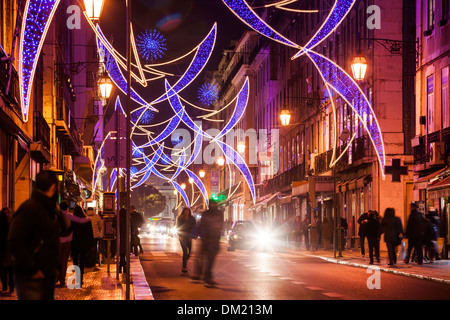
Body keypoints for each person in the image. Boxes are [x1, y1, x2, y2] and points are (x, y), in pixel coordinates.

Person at [7, 170, 61, 300]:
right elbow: (14, 241)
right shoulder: (30, 208)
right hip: (31, 278)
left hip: (44, 275)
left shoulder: (47, 209)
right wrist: (32, 270)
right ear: (53, 187)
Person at [57, 202, 91, 287]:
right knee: (65, 261)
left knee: (58, 260)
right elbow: (80, 221)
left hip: (61, 241)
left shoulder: (56, 216)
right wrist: (89, 219)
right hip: (70, 241)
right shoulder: (70, 216)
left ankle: (56, 277)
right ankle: (64, 279)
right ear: (67, 208)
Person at [192, 199, 224, 286]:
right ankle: (203, 275)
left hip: (210, 239)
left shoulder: (209, 214)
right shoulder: (216, 214)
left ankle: (204, 275)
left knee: (207, 259)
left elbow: (203, 225)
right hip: (208, 239)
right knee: (205, 258)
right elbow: (219, 226)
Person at [71, 206, 94, 287]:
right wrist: (91, 244)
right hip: (84, 243)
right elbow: (90, 233)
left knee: (75, 260)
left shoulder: (73, 220)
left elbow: (70, 230)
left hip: (75, 242)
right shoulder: (87, 220)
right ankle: (81, 277)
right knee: (82, 260)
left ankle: (77, 278)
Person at [176, 207, 196, 275]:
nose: (186, 212)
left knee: (189, 252)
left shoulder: (192, 219)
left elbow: (194, 227)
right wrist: (179, 236)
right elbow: (178, 227)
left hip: (189, 236)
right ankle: (184, 268)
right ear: (183, 211)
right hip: (182, 236)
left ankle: (184, 261)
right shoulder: (180, 218)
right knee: (185, 251)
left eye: (188, 211)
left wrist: (193, 235)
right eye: (185, 211)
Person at [0, 207, 14, 293]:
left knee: (9, 269)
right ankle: (6, 286)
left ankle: (10, 286)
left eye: (8, 213)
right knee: (4, 269)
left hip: (9, 250)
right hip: (4, 249)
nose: (7, 215)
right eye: (5, 213)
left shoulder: (13, 224)